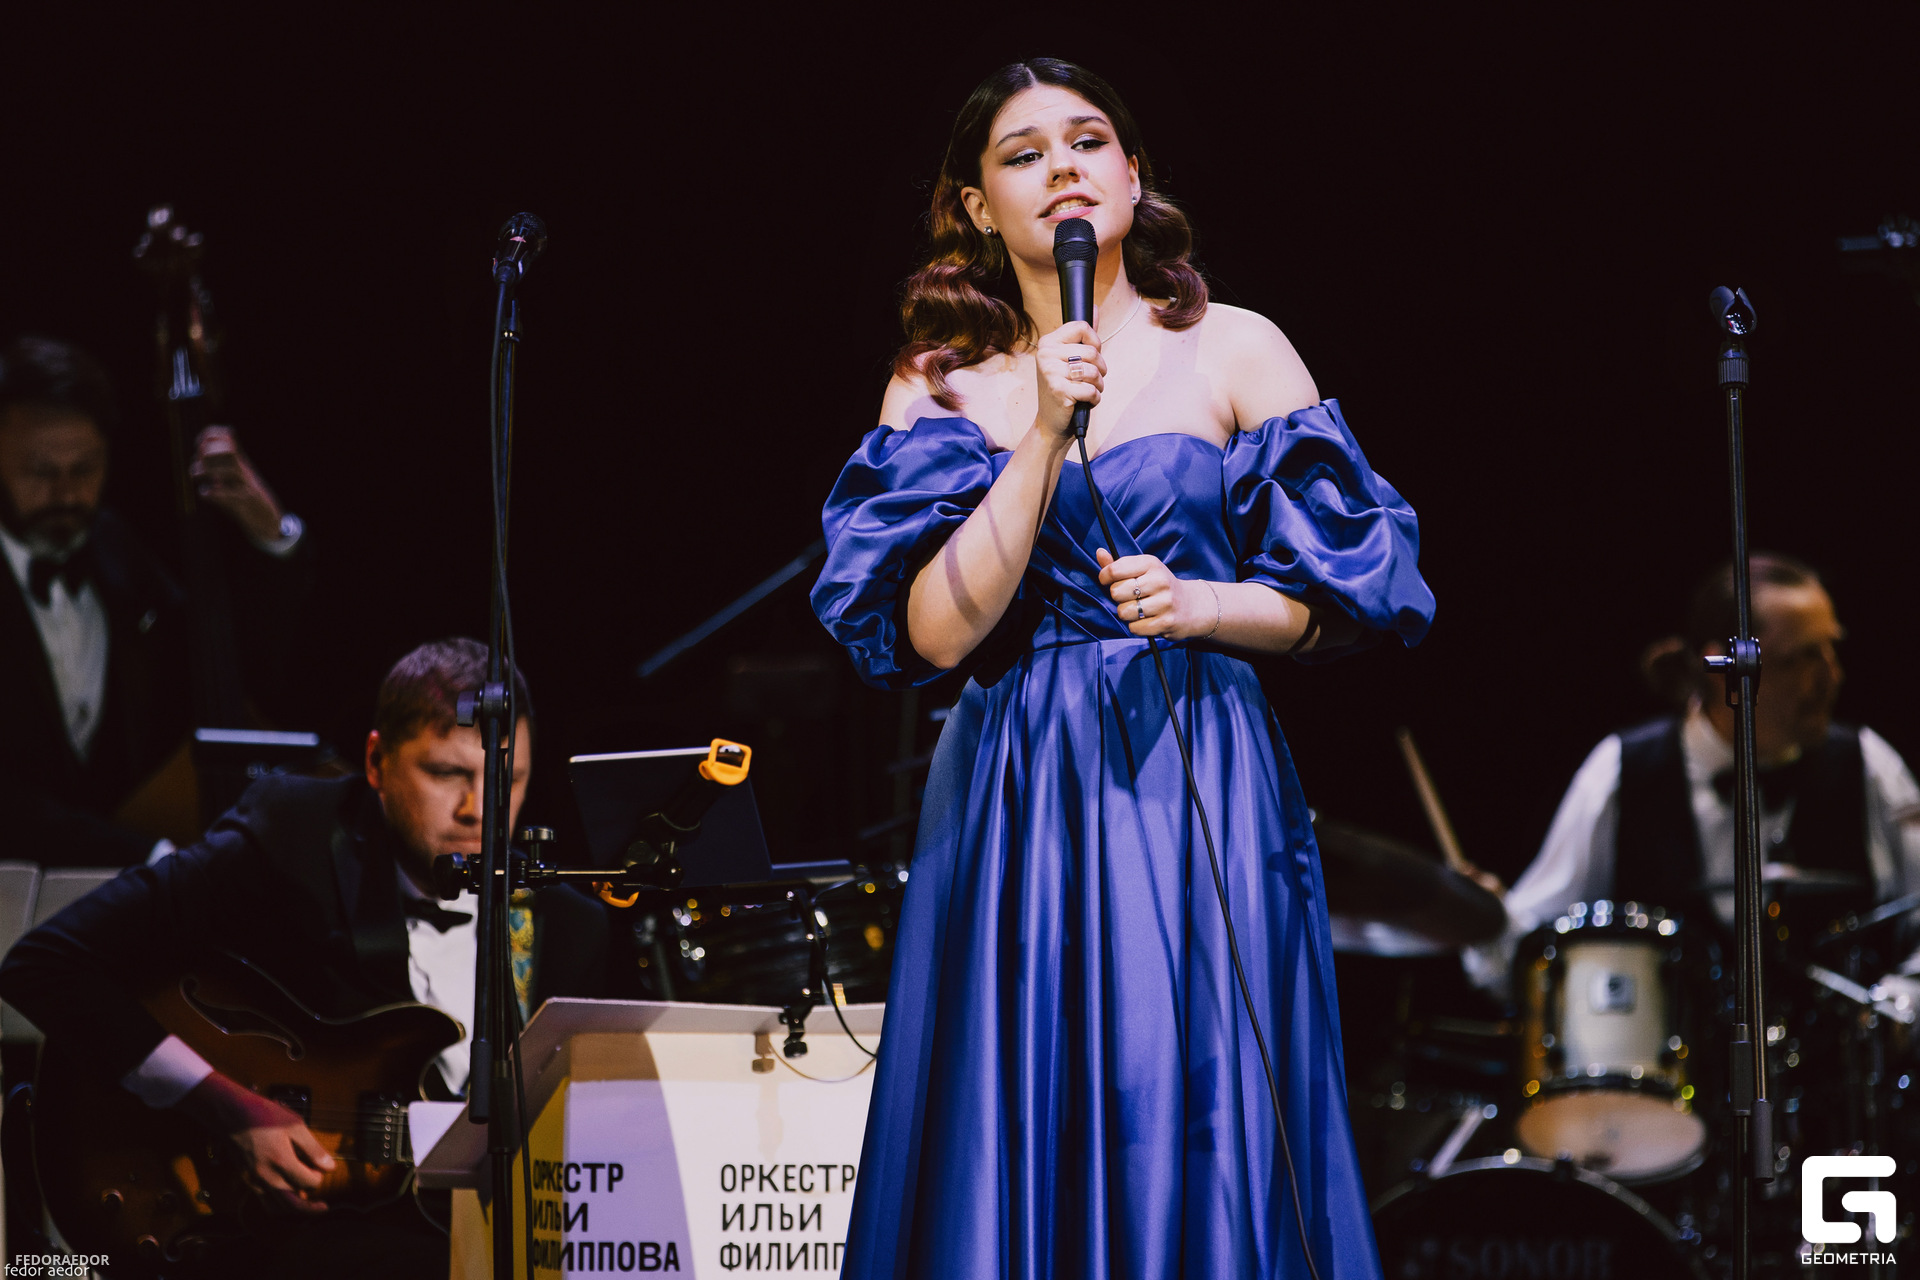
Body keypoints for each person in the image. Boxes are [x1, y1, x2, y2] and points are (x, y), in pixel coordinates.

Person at [810, 59, 1433, 1280]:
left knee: (1196, 1085)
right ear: (978, 206)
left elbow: (1349, 597)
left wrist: (1209, 602)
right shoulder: (940, 380)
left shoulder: (1235, 345)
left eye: (1088, 141)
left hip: (1197, 751)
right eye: (1024, 153)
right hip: (1018, 779)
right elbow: (934, 635)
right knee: (1018, 1087)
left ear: (1134, 176)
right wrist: (1043, 428)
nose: (1063, 167)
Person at [0, 638, 609, 1277]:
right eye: (445, 773)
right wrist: (225, 1105)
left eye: (508, 780)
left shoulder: (567, 928)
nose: (478, 810)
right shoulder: (290, 836)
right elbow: (44, 963)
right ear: (376, 762)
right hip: (269, 1236)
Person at [1467, 553, 1920, 991]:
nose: (1832, 676)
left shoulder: (1869, 763)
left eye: (1831, 648)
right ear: (1725, 669)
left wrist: (1907, 998)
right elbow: (1533, 943)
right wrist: (1481, 919)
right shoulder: (1622, 770)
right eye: (1798, 659)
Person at [0, 334, 312, 868]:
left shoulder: (114, 547)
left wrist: (271, 534)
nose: (67, 494)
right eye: (39, 471)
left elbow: (231, 667)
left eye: (85, 468)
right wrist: (148, 853)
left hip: (121, 885)